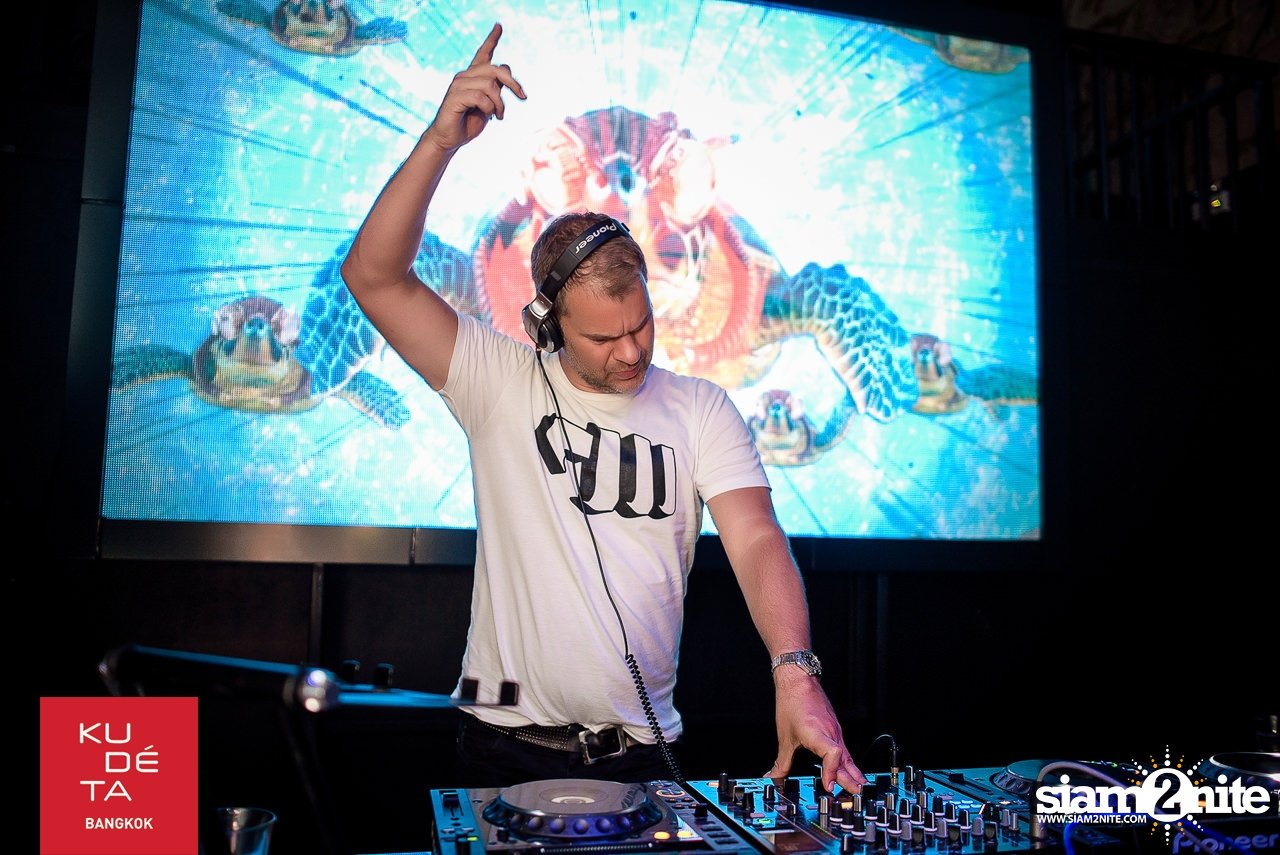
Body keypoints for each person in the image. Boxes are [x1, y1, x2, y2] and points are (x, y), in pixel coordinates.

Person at [339, 21, 867, 795]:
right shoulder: (498, 379)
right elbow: (373, 275)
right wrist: (440, 142)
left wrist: (796, 673)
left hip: (644, 755)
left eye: (640, 325)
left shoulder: (701, 409)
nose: (630, 352)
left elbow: (756, 537)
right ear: (549, 327)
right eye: (602, 337)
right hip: (503, 749)